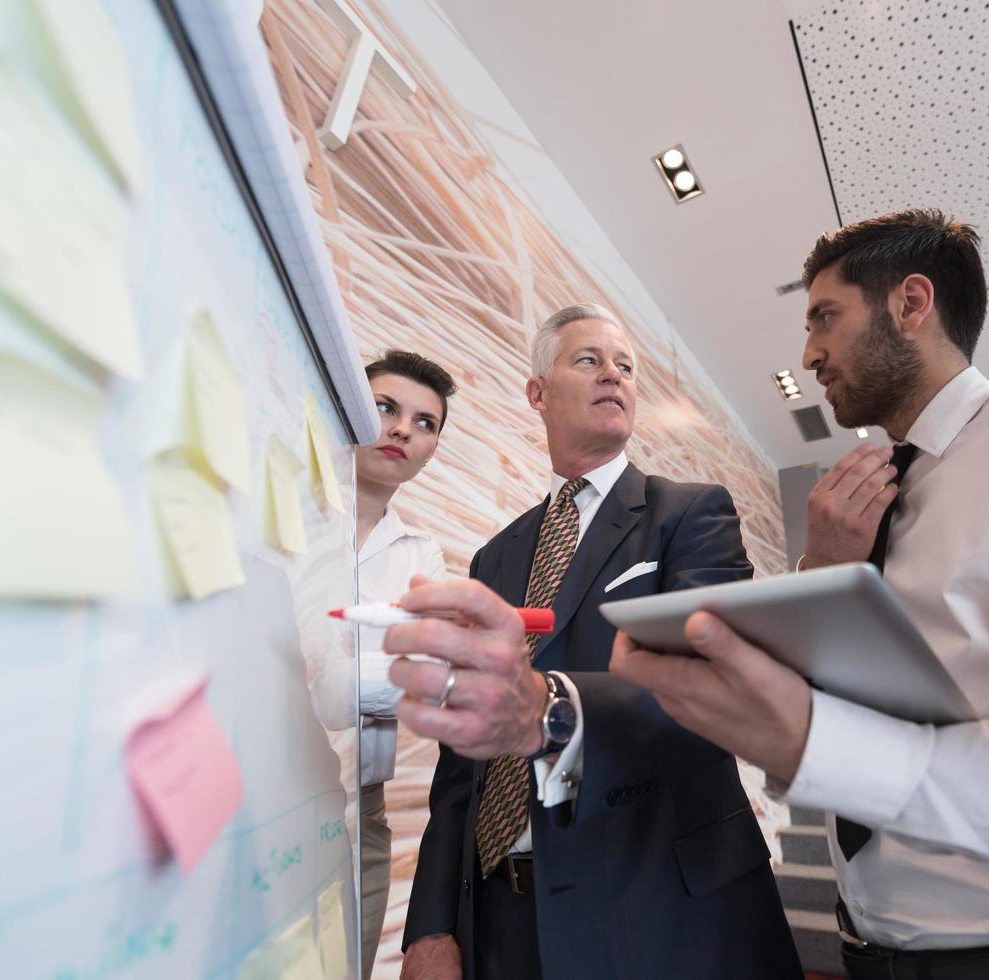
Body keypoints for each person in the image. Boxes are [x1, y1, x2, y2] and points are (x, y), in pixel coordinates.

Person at [611, 211, 989, 979]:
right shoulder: (861, 508)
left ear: (909, 303)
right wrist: (823, 579)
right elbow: (877, 713)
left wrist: (811, 742)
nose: (807, 355)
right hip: (872, 952)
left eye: (824, 318)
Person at [386, 304, 800, 980]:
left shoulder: (689, 515)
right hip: (503, 919)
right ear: (537, 392)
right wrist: (431, 926)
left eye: (626, 366)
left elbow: (715, 689)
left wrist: (549, 708)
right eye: (589, 360)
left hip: (658, 908)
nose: (613, 374)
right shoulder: (495, 557)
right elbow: (462, 755)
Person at [310, 350, 455, 978]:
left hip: (363, 811)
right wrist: (367, 669)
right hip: (260, 792)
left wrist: (336, 666)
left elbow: (419, 688)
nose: (402, 430)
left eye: (425, 423)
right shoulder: (287, 517)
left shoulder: (424, 557)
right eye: (386, 408)